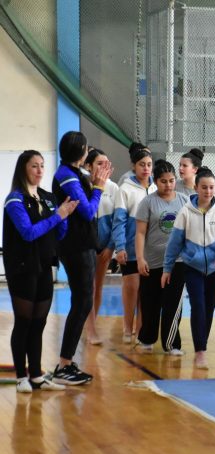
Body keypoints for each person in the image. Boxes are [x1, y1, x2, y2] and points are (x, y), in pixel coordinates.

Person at [4, 150, 77, 392]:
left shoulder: (47, 197)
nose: (39, 170)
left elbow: (59, 232)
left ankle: (36, 375)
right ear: (23, 169)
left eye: (42, 165)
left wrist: (64, 217)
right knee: (23, 323)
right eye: (34, 165)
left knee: (39, 323)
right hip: (22, 268)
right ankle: (21, 377)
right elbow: (28, 233)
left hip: (44, 265)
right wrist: (58, 216)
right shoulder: (15, 200)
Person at [52, 131, 110, 385]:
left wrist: (93, 182)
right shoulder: (66, 176)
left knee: (83, 301)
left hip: (82, 245)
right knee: (83, 301)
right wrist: (98, 188)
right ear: (82, 151)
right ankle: (64, 365)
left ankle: (66, 362)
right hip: (75, 247)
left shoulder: (74, 173)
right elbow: (87, 211)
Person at [163, 166, 215, 369]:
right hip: (192, 268)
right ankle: (200, 352)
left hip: (214, 270)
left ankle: (202, 344)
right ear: (196, 188)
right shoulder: (185, 212)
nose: (208, 191)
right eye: (204, 187)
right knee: (198, 306)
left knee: (209, 309)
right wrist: (167, 269)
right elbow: (174, 243)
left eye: (211, 187)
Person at [134, 160, 189, 354]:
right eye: (163, 181)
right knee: (150, 302)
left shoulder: (184, 201)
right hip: (153, 261)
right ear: (155, 181)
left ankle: (172, 344)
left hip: (178, 262)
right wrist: (140, 258)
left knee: (173, 303)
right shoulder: (147, 202)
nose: (168, 185)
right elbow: (140, 233)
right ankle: (147, 338)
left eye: (171, 180)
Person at [113, 145, 153, 343]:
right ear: (133, 166)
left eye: (149, 165)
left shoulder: (156, 188)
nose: (146, 169)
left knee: (146, 294)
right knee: (131, 289)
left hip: (151, 252)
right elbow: (118, 221)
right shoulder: (125, 189)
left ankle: (141, 331)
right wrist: (120, 247)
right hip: (130, 249)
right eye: (141, 165)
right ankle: (127, 329)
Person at [84, 148, 117, 345]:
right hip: (86, 247)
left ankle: (91, 324)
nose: (104, 167)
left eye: (106, 163)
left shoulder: (113, 188)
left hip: (104, 248)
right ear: (88, 166)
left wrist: (110, 247)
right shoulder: (82, 186)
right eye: (99, 163)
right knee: (88, 288)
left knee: (98, 287)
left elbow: (117, 220)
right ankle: (90, 329)